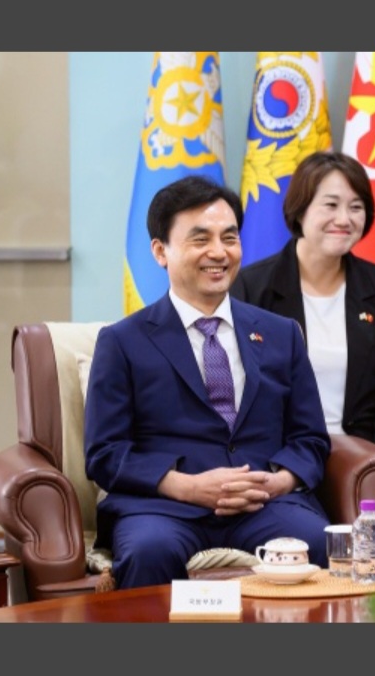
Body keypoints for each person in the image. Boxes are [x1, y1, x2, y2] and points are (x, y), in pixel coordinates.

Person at [84, 176, 331, 589]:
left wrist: (278, 482)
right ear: (160, 251)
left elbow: (310, 438)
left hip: (264, 504)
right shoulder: (122, 342)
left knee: (318, 543)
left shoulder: (281, 333)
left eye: (229, 238)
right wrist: (186, 487)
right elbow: (105, 453)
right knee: (149, 552)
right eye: (200, 239)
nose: (219, 252)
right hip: (163, 508)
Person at [231, 151, 375, 497]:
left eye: (356, 207)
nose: (344, 219)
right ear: (301, 209)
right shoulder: (251, 288)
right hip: (279, 460)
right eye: (330, 205)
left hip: (365, 461)